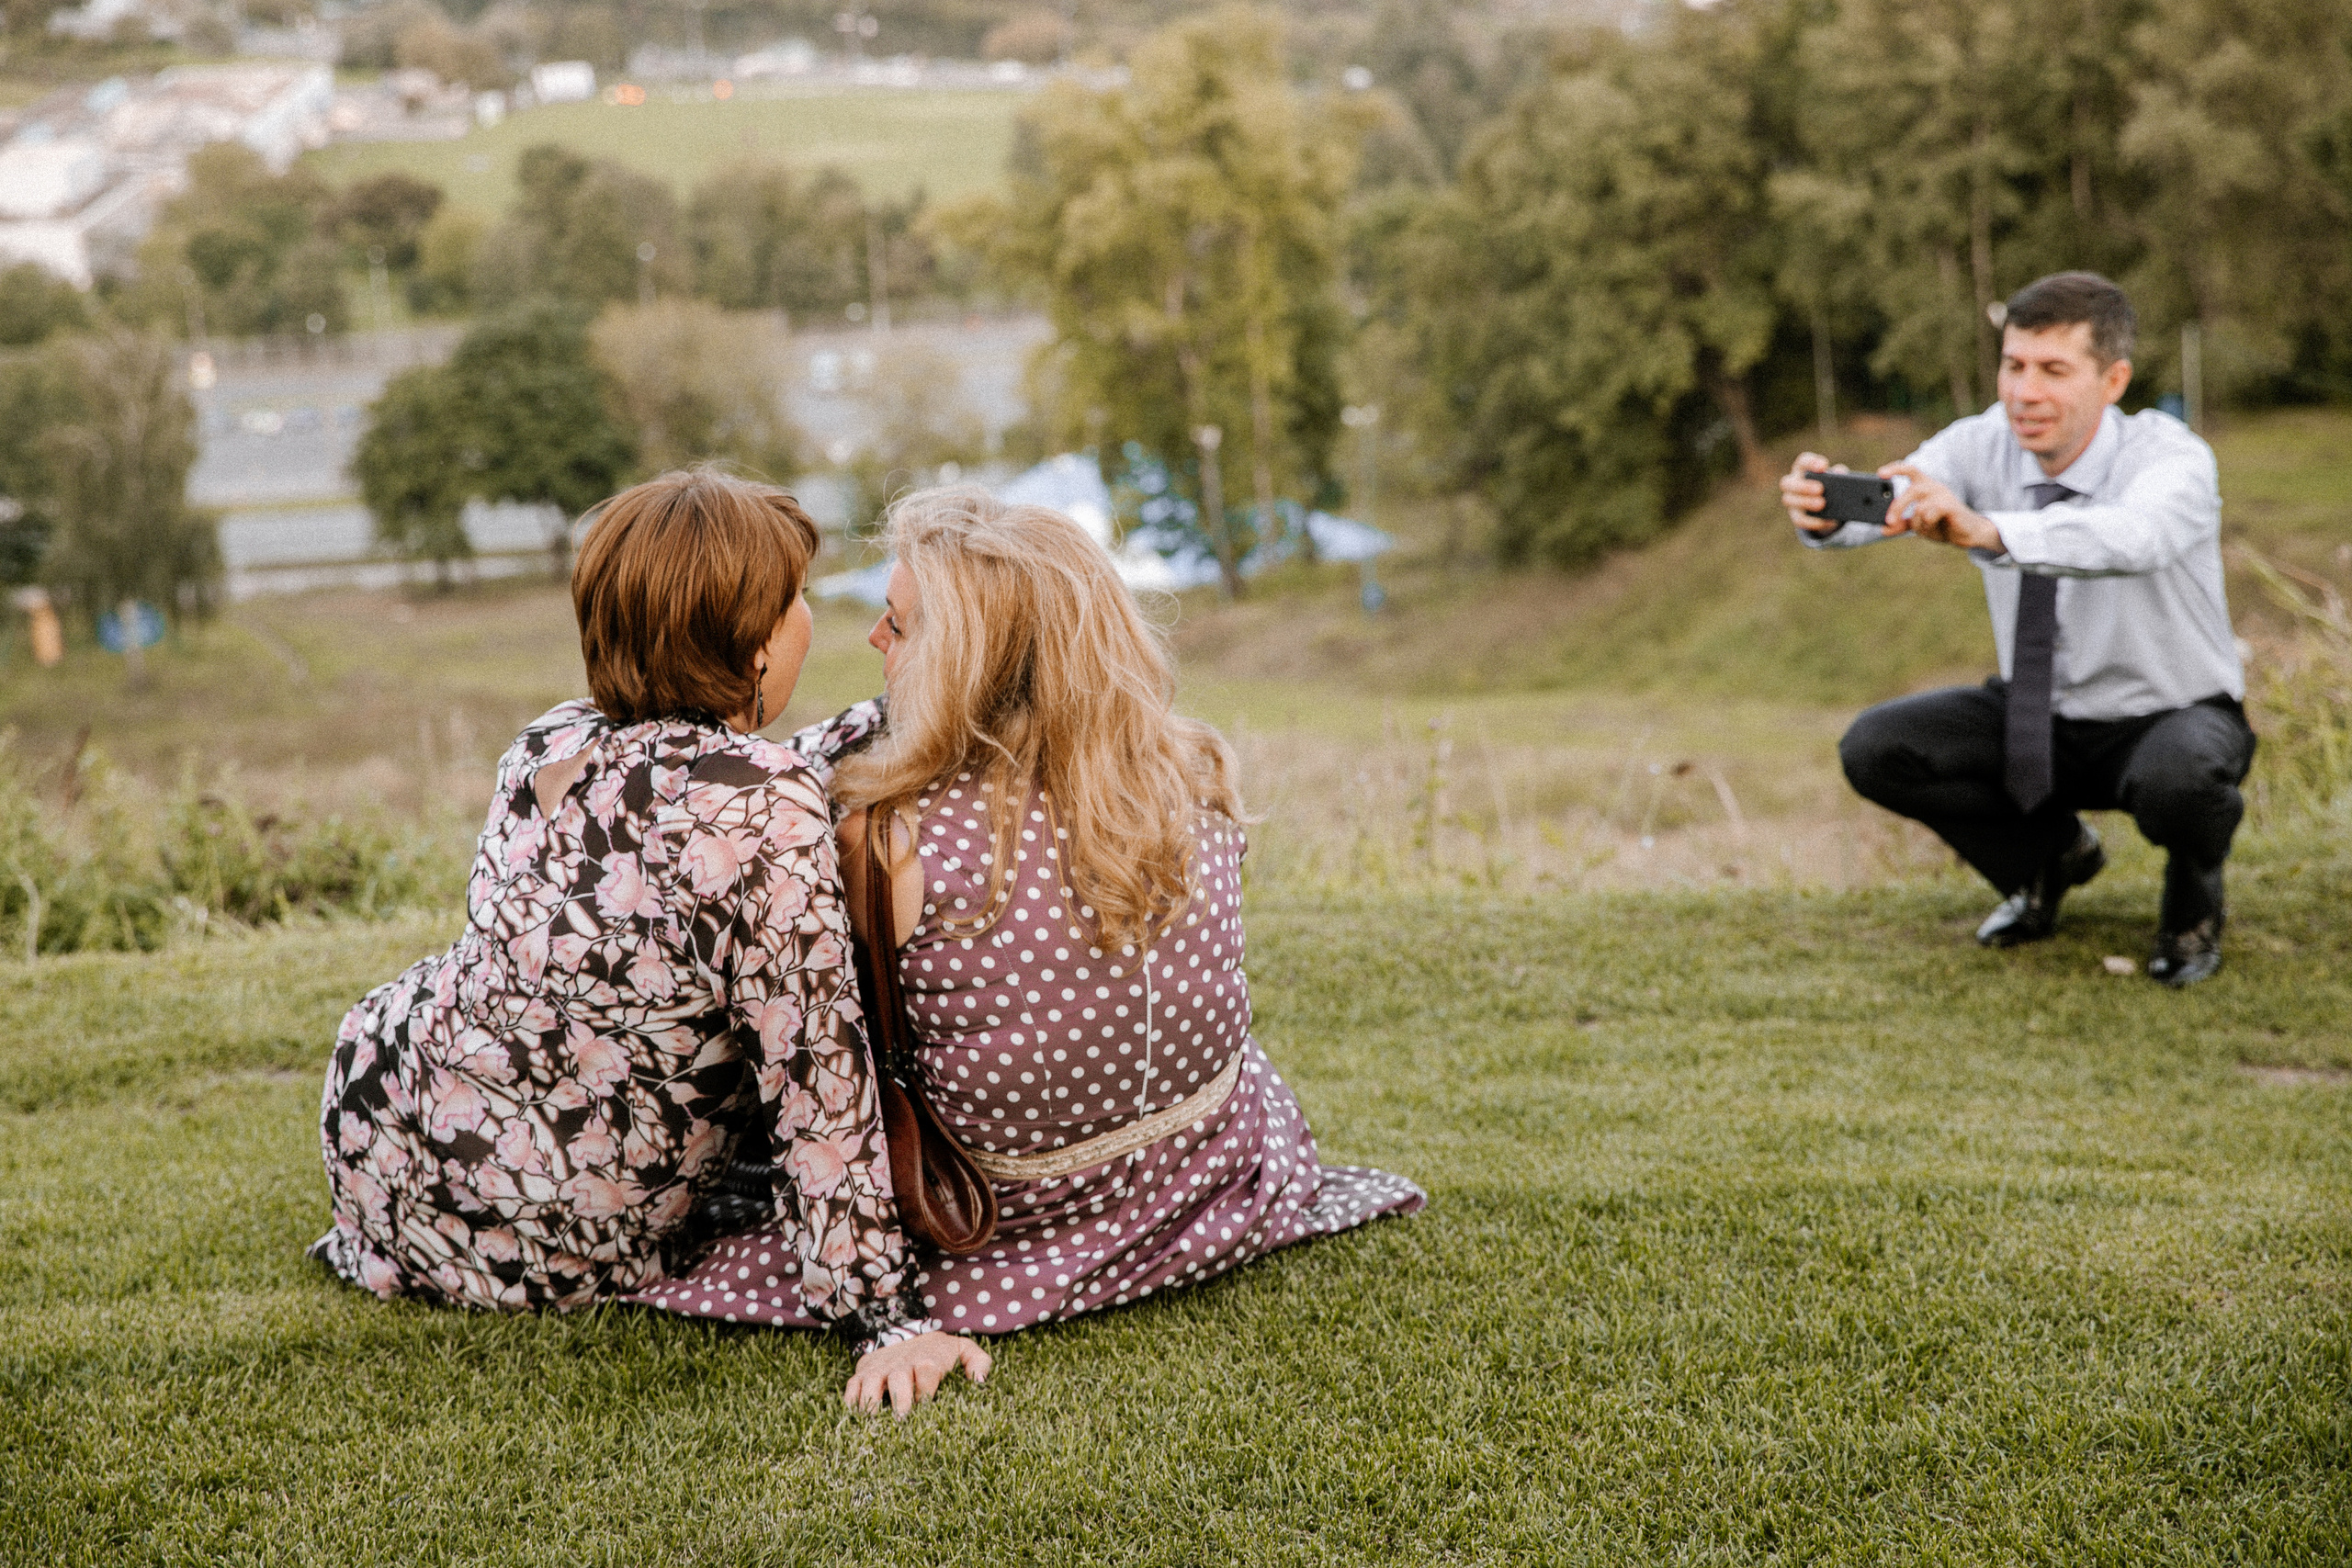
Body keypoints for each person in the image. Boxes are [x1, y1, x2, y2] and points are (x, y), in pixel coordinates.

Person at [633, 488, 1424, 1341]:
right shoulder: (1183, 774)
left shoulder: (891, 834)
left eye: (897, 625)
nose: (872, 638)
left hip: (996, 1212)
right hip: (1205, 1165)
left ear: (962, 661)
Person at [311, 468, 990, 1416]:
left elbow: (707, 795)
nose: (808, 621)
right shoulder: (760, 813)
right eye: (794, 601)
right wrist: (888, 1317)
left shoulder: (549, 744)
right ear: (751, 641)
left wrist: (887, 719)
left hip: (385, 1144)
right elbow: (815, 1079)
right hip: (562, 1234)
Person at [1781, 272, 2254, 987]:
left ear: (2113, 379)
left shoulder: (2172, 458)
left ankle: (2193, 902)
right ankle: (2047, 859)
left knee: (2180, 779)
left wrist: (1992, 529)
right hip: (2038, 715)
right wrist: (1827, 515)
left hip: (2169, 716)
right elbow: (1907, 495)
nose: (2024, 392)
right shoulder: (1981, 443)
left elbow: (2131, 537)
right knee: (1876, 748)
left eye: (2053, 371)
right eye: (2014, 365)